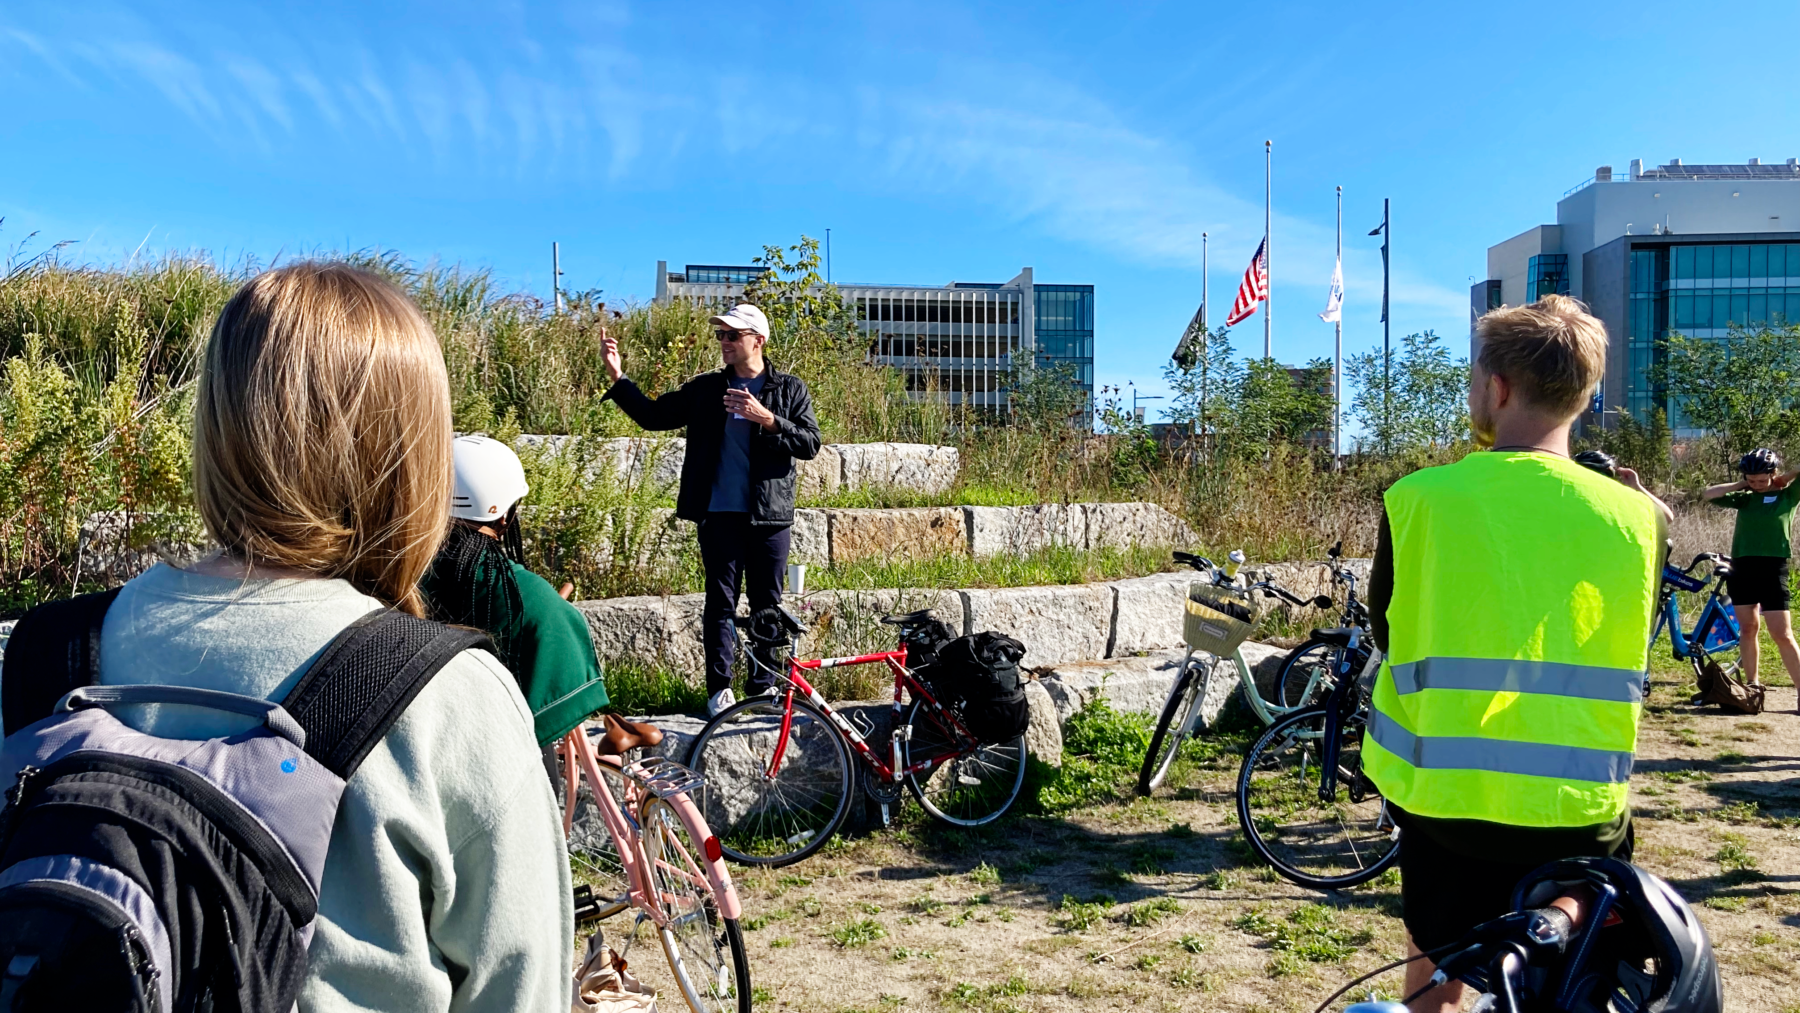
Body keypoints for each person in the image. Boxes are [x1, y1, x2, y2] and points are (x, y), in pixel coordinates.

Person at [5, 264, 571, 1011]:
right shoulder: (450, 699)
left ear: (216, 427)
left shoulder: (45, 658)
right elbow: (523, 991)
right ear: (413, 456)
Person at [1363, 295, 1664, 1013]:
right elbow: (1634, 639)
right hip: (1577, 809)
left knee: (1433, 976)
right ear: (1585, 396)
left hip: (1446, 805)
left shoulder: (1418, 499)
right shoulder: (1641, 517)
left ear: (1496, 387)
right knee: (1567, 984)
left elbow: (1388, 635)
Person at [600, 303, 822, 717]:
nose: (724, 342)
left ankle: (764, 688)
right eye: (721, 335)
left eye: (733, 335)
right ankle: (719, 690)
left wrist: (768, 419)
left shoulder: (790, 390)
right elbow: (652, 416)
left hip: (769, 517)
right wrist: (618, 376)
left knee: (767, 606)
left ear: (758, 339)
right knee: (719, 603)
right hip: (718, 514)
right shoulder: (706, 389)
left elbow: (810, 443)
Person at [419, 435, 663, 754]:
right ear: (505, 516)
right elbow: (559, 647)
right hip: (508, 752)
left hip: (429, 743)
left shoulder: (399, 577)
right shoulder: (527, 594)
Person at [1702, 448, 1800, 697]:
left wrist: (1784, 478)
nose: (1756, 485)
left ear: (1772, 474)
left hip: (1772, 568)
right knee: (1748, 629)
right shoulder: (1744, 498)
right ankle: (1753, 685)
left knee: (1783, 634)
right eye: (1751, 480)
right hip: (1742, 568)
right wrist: (1740, 484)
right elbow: (1708, 494)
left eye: (1761, 480)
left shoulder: (1787, 497)